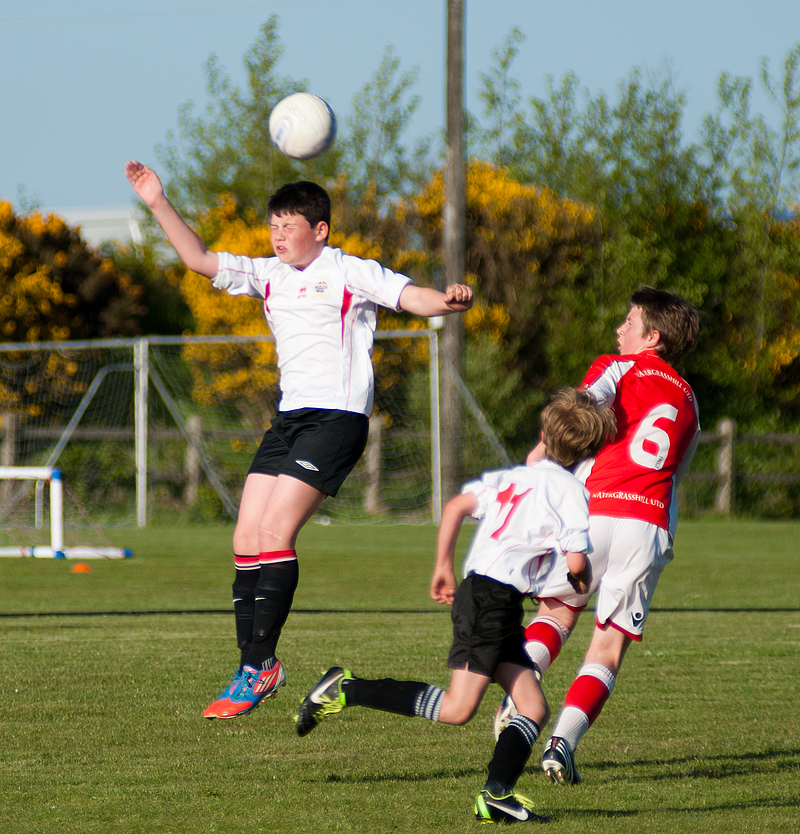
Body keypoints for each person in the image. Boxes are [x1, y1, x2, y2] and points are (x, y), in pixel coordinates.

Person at [124, 161, 474, 720]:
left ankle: (260, 665)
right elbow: (197, 260)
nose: (278, 235)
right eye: (274, 226)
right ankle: (254, 666)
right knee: (244, 538)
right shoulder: (268, 274)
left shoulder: (348, 271)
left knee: (274, 530)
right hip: (289, 420)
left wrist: (450, 300)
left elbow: (410, 297)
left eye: (289, 226)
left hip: (337, 419)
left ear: (321, 230)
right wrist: (157, 202)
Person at [294, 387, 615, 824]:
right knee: (458, 709)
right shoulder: (572, 492)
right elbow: (578, 560)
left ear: (544, 434)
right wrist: (579, 578)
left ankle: (497, 794)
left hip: (488, 598)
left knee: (534, 707)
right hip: (491, 603)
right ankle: (346, 688)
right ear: (590, 453)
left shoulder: (516, 476)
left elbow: (457, 505)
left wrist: (443, 563)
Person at [504, 287, 701, 786]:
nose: (620, 329)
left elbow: (581, 410)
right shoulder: (690, 400)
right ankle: (561, 744)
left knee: (558, 611)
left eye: (629, 321)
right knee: (607, 648)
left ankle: (517, 701)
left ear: (651, 337)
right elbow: (675, 471)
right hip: (648, 524)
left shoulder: (615, 366)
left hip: (593, 512)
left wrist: (544, 452)